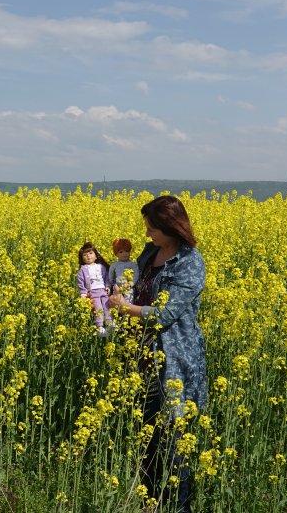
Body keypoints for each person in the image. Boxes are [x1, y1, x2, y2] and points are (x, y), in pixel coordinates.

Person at [109, 195, 207, 513]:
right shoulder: (150, 252)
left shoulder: (190, 261)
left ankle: (179, 509)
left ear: (169, 226)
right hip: (144, 358)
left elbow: (165, 314)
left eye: (151, 227)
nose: (147, 233)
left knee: (176, 445)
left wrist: (126, 309)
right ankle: (149, 505)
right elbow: (138, 286)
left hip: (177, 362)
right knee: (148, 440)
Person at [76, 242, 113, 338]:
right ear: (82, 259)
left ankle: (110, 324)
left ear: (96, 256)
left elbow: (106, 278)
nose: (88, 256)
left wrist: (108, 286)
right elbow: (81, 282)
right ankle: (99, 327)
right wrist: (83, 293)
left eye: (90, 253)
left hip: (103, 291)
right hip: (93, 293)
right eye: (85, 255)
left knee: (107, 306)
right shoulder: (83, 269)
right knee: (98, 309)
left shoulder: (102, 267)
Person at [108, 237, 139, 303]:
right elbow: (111, 276)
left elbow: (136, 276)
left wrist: (130, 284)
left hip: (128, 288)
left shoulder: (133, 265)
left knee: (128, 303)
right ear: (116, 254)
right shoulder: (114, 265)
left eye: (127, 251)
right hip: (117, 288)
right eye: (121, 252)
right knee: (116, 303)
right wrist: (114, 285)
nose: (124, 254)